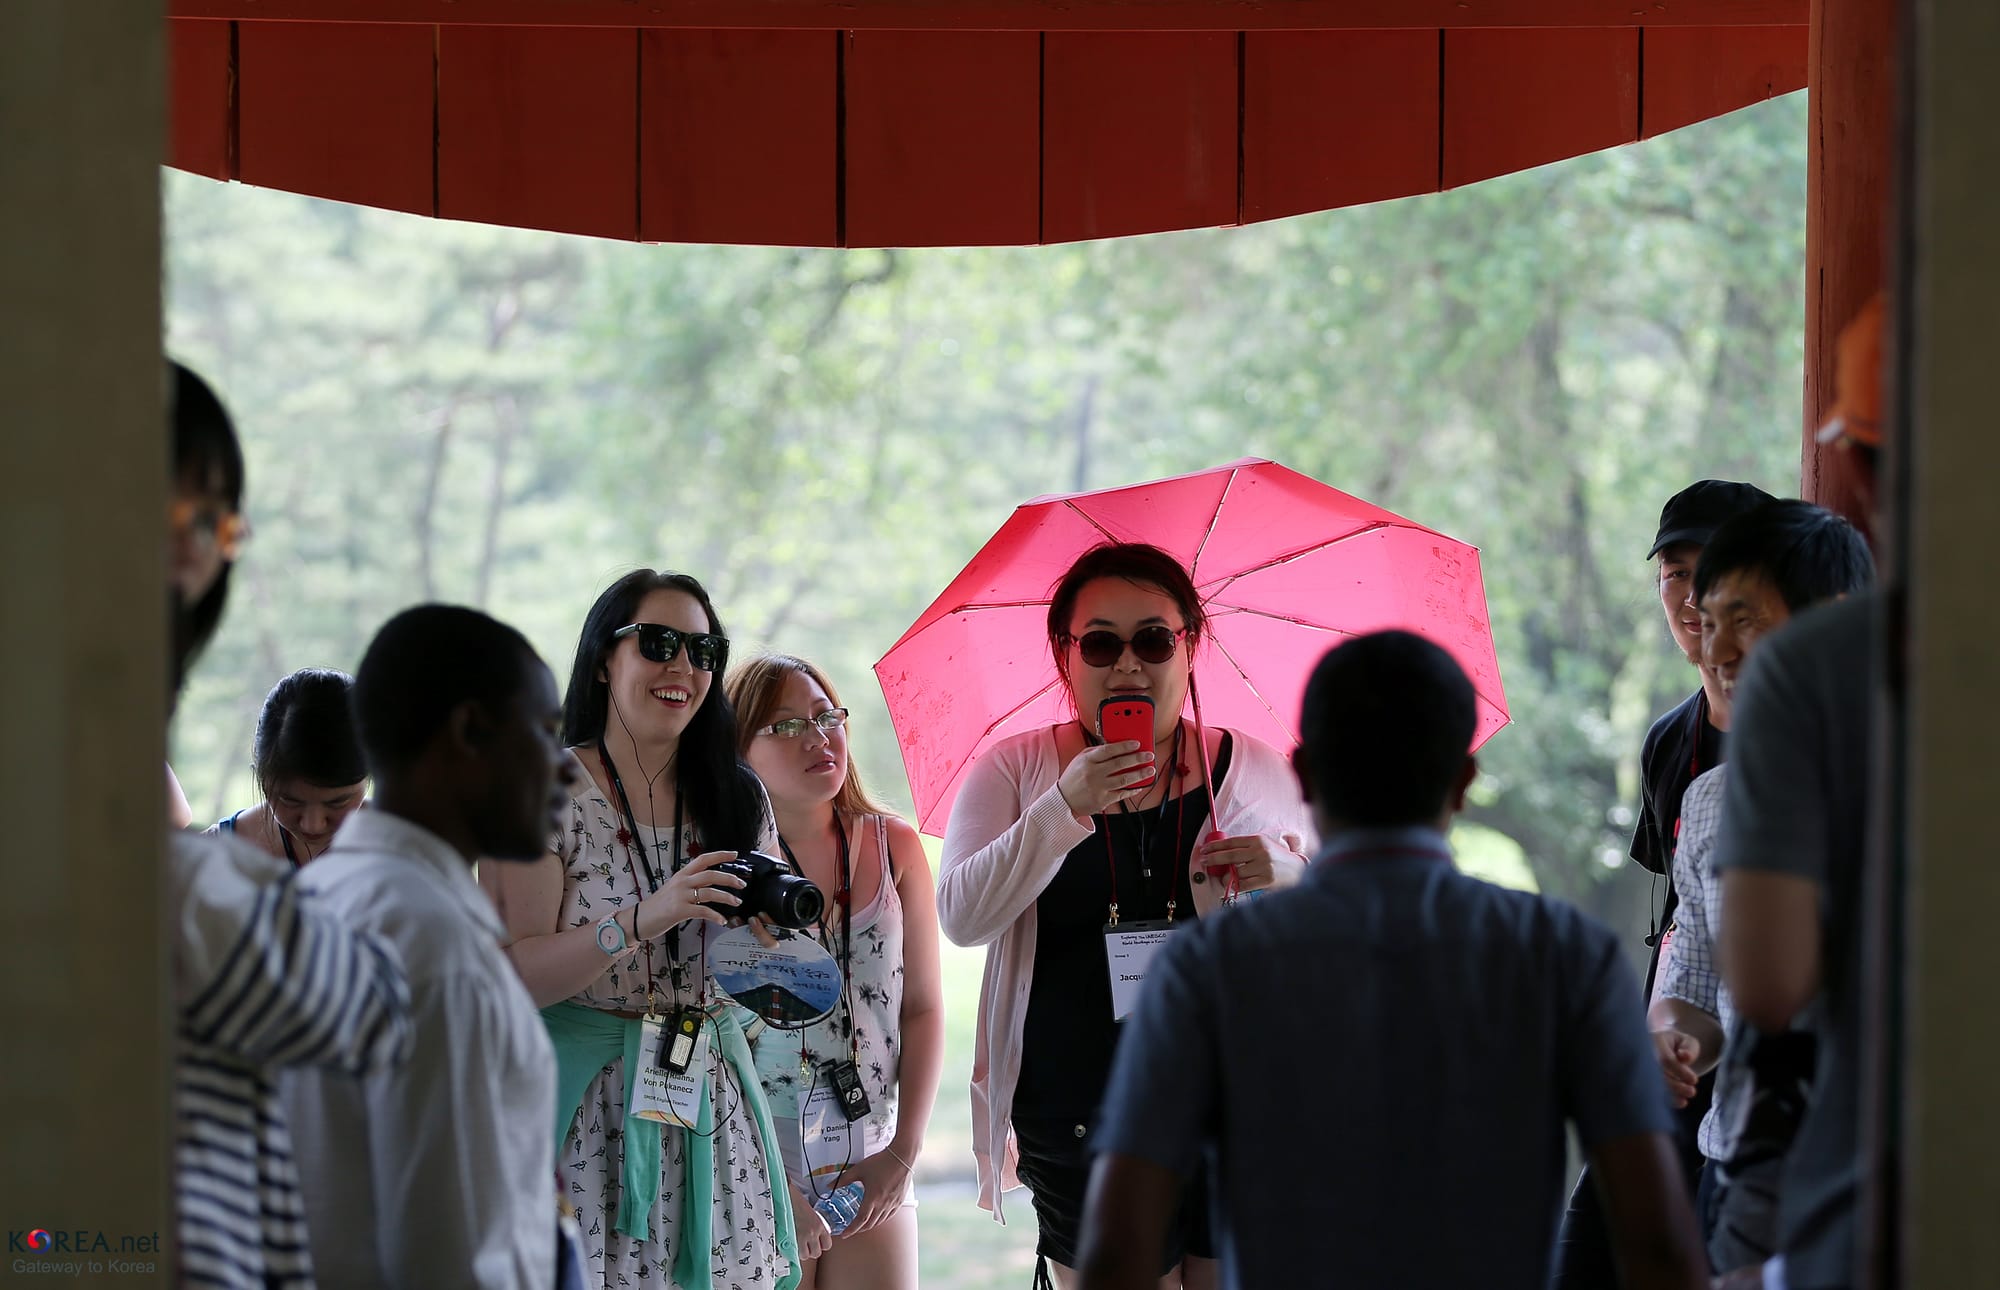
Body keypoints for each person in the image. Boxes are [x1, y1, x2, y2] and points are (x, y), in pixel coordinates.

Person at [1076, 630, 1707, 1290]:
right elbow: (1657, 1243)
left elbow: (1119, 1245)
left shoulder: (1208, 967)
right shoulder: (1565, 955)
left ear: (1305, 775)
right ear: (1463, 781)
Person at [936, 542, 1313, 1289]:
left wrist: (1293, 876)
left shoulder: (1254, 769)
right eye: (1101, 643)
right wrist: (1063, 807)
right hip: (1075, 1108)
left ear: (1191, 645)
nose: (1128, 665)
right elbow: (962, 917)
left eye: (1154, 639)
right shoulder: (1015, 770)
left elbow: (1339, 928)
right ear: (1064, 654)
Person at [164, 360, 412, 1289]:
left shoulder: (402, 883)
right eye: (291, 802)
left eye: (212, 525)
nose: (310, 823)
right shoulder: (198, 863)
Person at [481, 570, 800, 1289]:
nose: (682, 668)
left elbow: (765, 981)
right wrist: (638, 920)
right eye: (658, 644)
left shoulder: (736, 792)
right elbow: (513, 975)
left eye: (703, 650)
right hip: (588, 1109)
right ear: (603, 659)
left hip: (711, 1107)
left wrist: (769, 950)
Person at [281, 604, 571, 1288]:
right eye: (547, 733)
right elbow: (452, 1260)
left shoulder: (327, 897)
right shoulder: (438, 954)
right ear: (469, 731)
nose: (569, 771)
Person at [1554, 476, 1775, 1288]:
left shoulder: (1816, 741)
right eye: (1674, 575)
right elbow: (1681, 914)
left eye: (1712, 571)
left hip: (1767, 1085)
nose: (1692, 596)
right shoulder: (1670, 747)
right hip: (1675, 1053)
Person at [1649, 500, 1874, 1275]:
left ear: (1835, 618)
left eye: (1744, 616)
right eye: (1709, 622)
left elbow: (1773, 987)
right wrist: (1677, 1035)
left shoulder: (1923, 777)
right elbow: (1704, 985)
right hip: (1743, 1164)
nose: (1719, 649)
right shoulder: (1709, 799)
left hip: (1878, 1159)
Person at [1714, 297, 1887, 1290]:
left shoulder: (1812, 671)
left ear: (1857, 466)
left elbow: (1767, 983)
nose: (1717, 644)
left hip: (1860, 1203)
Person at [728, 655, 944, 1290]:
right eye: (787, 725)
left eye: (827, 717)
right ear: (738, 748)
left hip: (871, 1160)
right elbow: (719, 1043)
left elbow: (925, 1008)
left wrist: (902, 1154)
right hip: (757, 1166)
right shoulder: (721, 874)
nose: (818, 738)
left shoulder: (893, 846)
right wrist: (773, 1184)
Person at [211, 667, 369, 864]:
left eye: (337, 802)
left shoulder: (408, 850)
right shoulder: (212, 857)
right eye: (289, 800)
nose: (313, 825)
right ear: (261, 778)